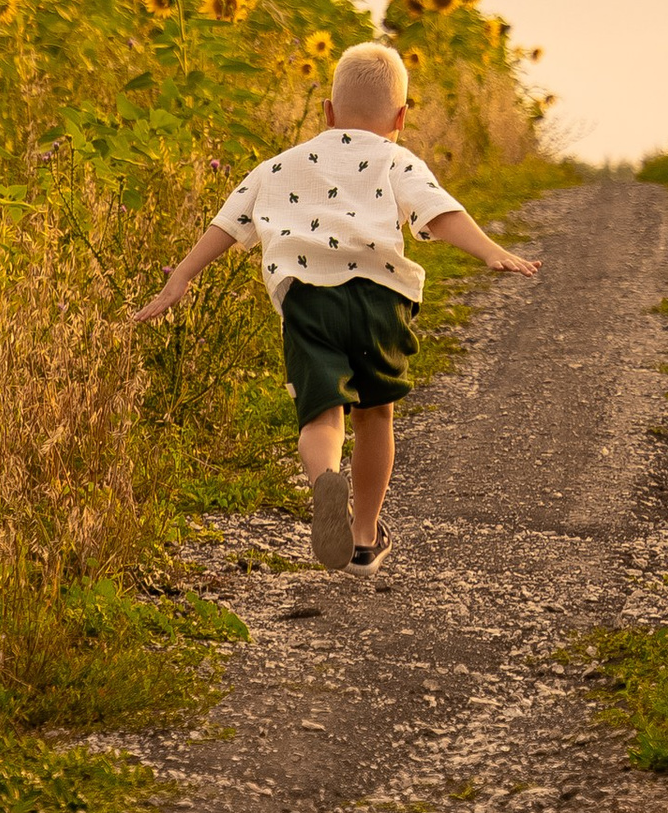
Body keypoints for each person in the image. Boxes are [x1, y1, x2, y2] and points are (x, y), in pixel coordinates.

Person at [130, 39, 539, 574]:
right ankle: (364, 537)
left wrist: (182, 276)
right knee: (375, 414)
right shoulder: (396, 159)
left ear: (327, 111)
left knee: (322, 415)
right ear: (401, 117)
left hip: (308, 300)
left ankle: (326, 478)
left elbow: (229, 223)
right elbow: (438, 212)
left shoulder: (278, 166)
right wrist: (488, 250)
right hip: (379, 298)